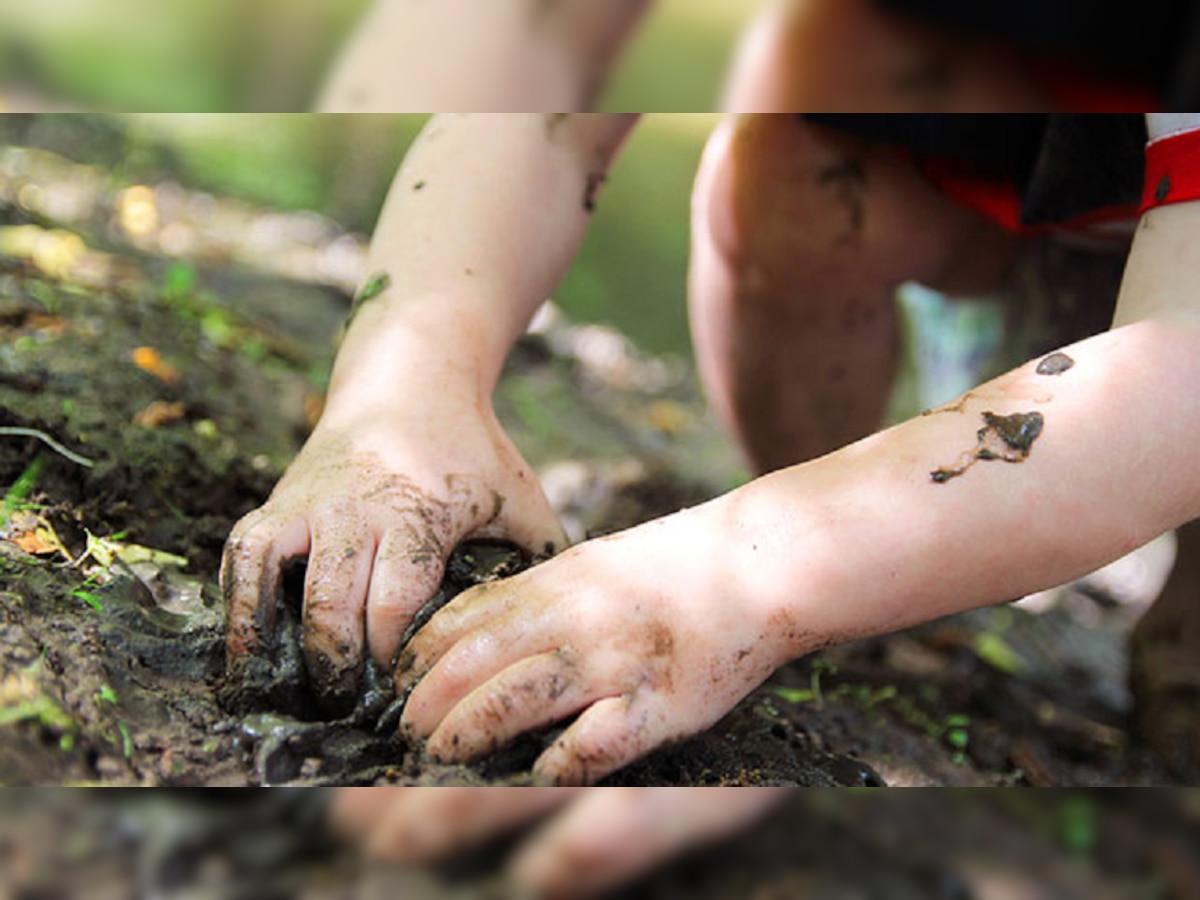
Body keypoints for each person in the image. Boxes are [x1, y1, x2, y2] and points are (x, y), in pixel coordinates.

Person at [221, 0, 1200, 894]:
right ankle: (890, 593)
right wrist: (407, 385)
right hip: (1042, 170)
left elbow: (1179, 368)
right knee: (805, 114)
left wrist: (741, 565)